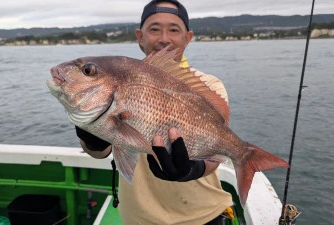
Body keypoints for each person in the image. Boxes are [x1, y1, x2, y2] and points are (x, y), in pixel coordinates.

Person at [76, 0, 234, 224]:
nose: (163, 39)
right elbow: (100, 152)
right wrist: (92, 138)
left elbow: (216, 151)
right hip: (138, 218)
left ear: (187, 38)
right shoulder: (116, 82)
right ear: (140, 37)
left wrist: (193, 169)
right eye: (154, 29)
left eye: (173, 29)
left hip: (202, 215)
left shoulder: (209, 86)